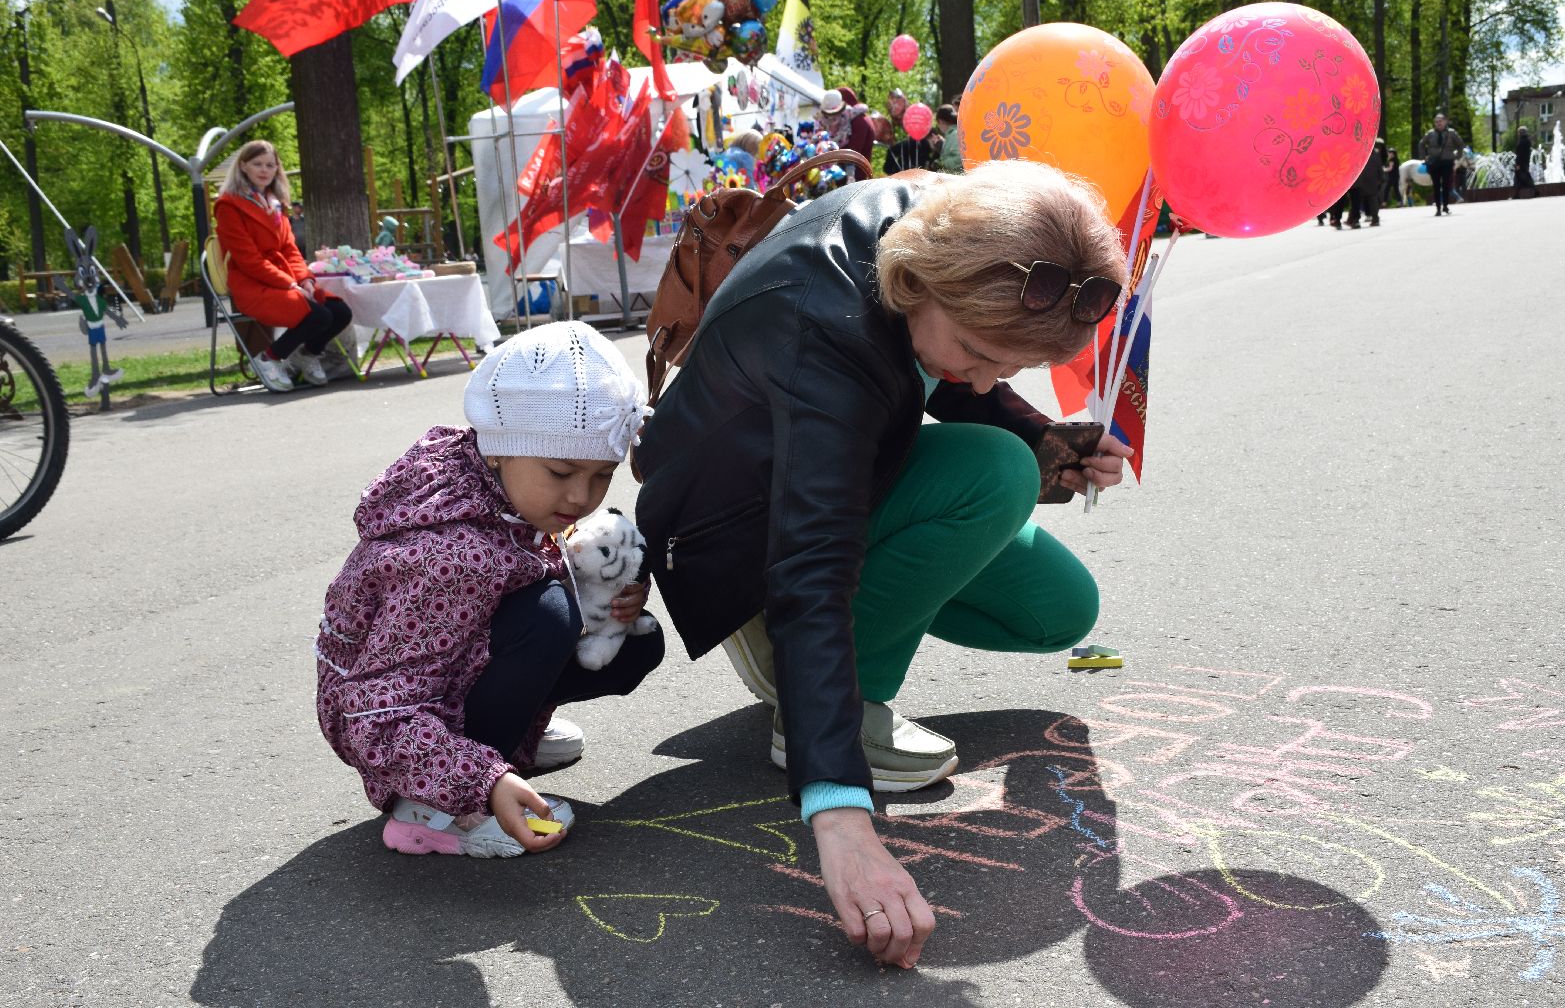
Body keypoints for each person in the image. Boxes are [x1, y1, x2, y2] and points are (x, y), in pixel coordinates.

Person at [635, 160, 1132, 968]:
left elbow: (947, 366)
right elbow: (814, 566)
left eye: (1009, 367)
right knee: (993, 473)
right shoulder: (818, 329)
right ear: (915, 282)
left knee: (1058, 610)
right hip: (740, 535)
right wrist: (838, 810)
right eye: (978, 353)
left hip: (851, 467)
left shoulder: (946, 223)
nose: (984, 378)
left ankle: (837, 651)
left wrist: (1045, 438)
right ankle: (820, 696)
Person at [314, 321, 663, 859]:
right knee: (548, 616)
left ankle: (504, 736)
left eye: (602, 476)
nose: (581, 495)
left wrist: (607, 602)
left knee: (633, 641)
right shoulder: (449, 558)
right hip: (384, 714)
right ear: (500, 448)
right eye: (561, 471)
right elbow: (376, 712)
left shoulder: (505, 488)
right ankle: (435, 811)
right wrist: (483, 780)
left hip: (443, 673)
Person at [213, 140, 352, 392]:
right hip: (252, 282)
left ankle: (306, 355)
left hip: (284, 279)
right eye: (257, 164)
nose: (264, 170)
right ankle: (269, 357)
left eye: (270, 165)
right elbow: (249, 260)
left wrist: (305, 279)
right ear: (243, 166)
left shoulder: (275, 203)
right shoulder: (228, 205)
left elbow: (290, 249)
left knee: (340, 312)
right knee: (317, 314)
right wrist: (289, 284)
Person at [1417, 113, 1464, 217]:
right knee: (1436, 186)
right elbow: (1421, 143)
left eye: (1440, 121)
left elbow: (1460, 144)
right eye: (1436, 122)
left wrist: (1457, 156)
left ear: (1445, 121)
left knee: (1446, 185)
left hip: (1447, 162)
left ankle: (1446, 206)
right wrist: (1423, 156)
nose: (1438, 123)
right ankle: (1438, 208)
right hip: (1434, 163)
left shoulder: (1451, 133)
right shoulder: (1430, 133)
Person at [934, 104, 963, 173]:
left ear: (940, 121)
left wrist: (941, 163)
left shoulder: (955, 134)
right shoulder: (954, 133)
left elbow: (960, 159)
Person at [1513, 126, 1538, 199]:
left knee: (1521, 177)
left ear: (1521, 133)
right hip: (1525, 162)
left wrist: (1517, 164)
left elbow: (1520, 154)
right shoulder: (1527, 141)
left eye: (1518, 132)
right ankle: (1518, 194)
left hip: (1521, 163)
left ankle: (1533, 190)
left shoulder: (1522, 142)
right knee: (1524, 177)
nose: (1518, 134)